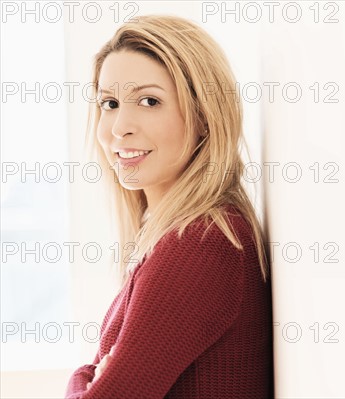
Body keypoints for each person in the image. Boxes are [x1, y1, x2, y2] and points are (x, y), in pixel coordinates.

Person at [65, 15, 273, 398]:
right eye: (109, 103)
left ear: (204, 117)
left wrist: (84, 376)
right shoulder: (174, 235)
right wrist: (94, 373)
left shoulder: (201, 244)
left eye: (149, 101)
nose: (118, 127)